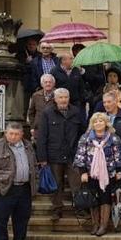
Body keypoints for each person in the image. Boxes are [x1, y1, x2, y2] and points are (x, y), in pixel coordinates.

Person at [0, 123, 37, 240]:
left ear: (21, 135)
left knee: (22, 218)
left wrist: (35, 182)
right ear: (6, 133)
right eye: (11, 133)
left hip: (24, 187)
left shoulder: (28, 146)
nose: (13, 136)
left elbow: (33, 165)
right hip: (6, 188)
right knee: (1, 218)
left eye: (17, 134)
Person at [36, 88, 85, 222]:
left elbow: (83, 133)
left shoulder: (76, 112)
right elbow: (42, 137)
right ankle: (57, 209)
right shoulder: (47, 113)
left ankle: (80, 207)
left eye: (65, 97)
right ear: (55, 99)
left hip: (73, 155)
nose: (63, 100)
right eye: (61, 97)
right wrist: (42, 158)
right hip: (54, 155)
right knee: (56, 184)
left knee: (77, 184)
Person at [73, 112, 121, 236]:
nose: (98, 123)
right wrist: (83, 172)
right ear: (92, 124)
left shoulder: (113, 138)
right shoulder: (85, 138)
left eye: (101, 121)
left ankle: (103, 225)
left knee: (105, 198)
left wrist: (119, 171)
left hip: (108, 174)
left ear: (106, 123)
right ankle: (95, 224)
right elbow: (80, 156)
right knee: (93, 199)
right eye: (95, 121)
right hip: (91, 174)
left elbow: (118, 156)